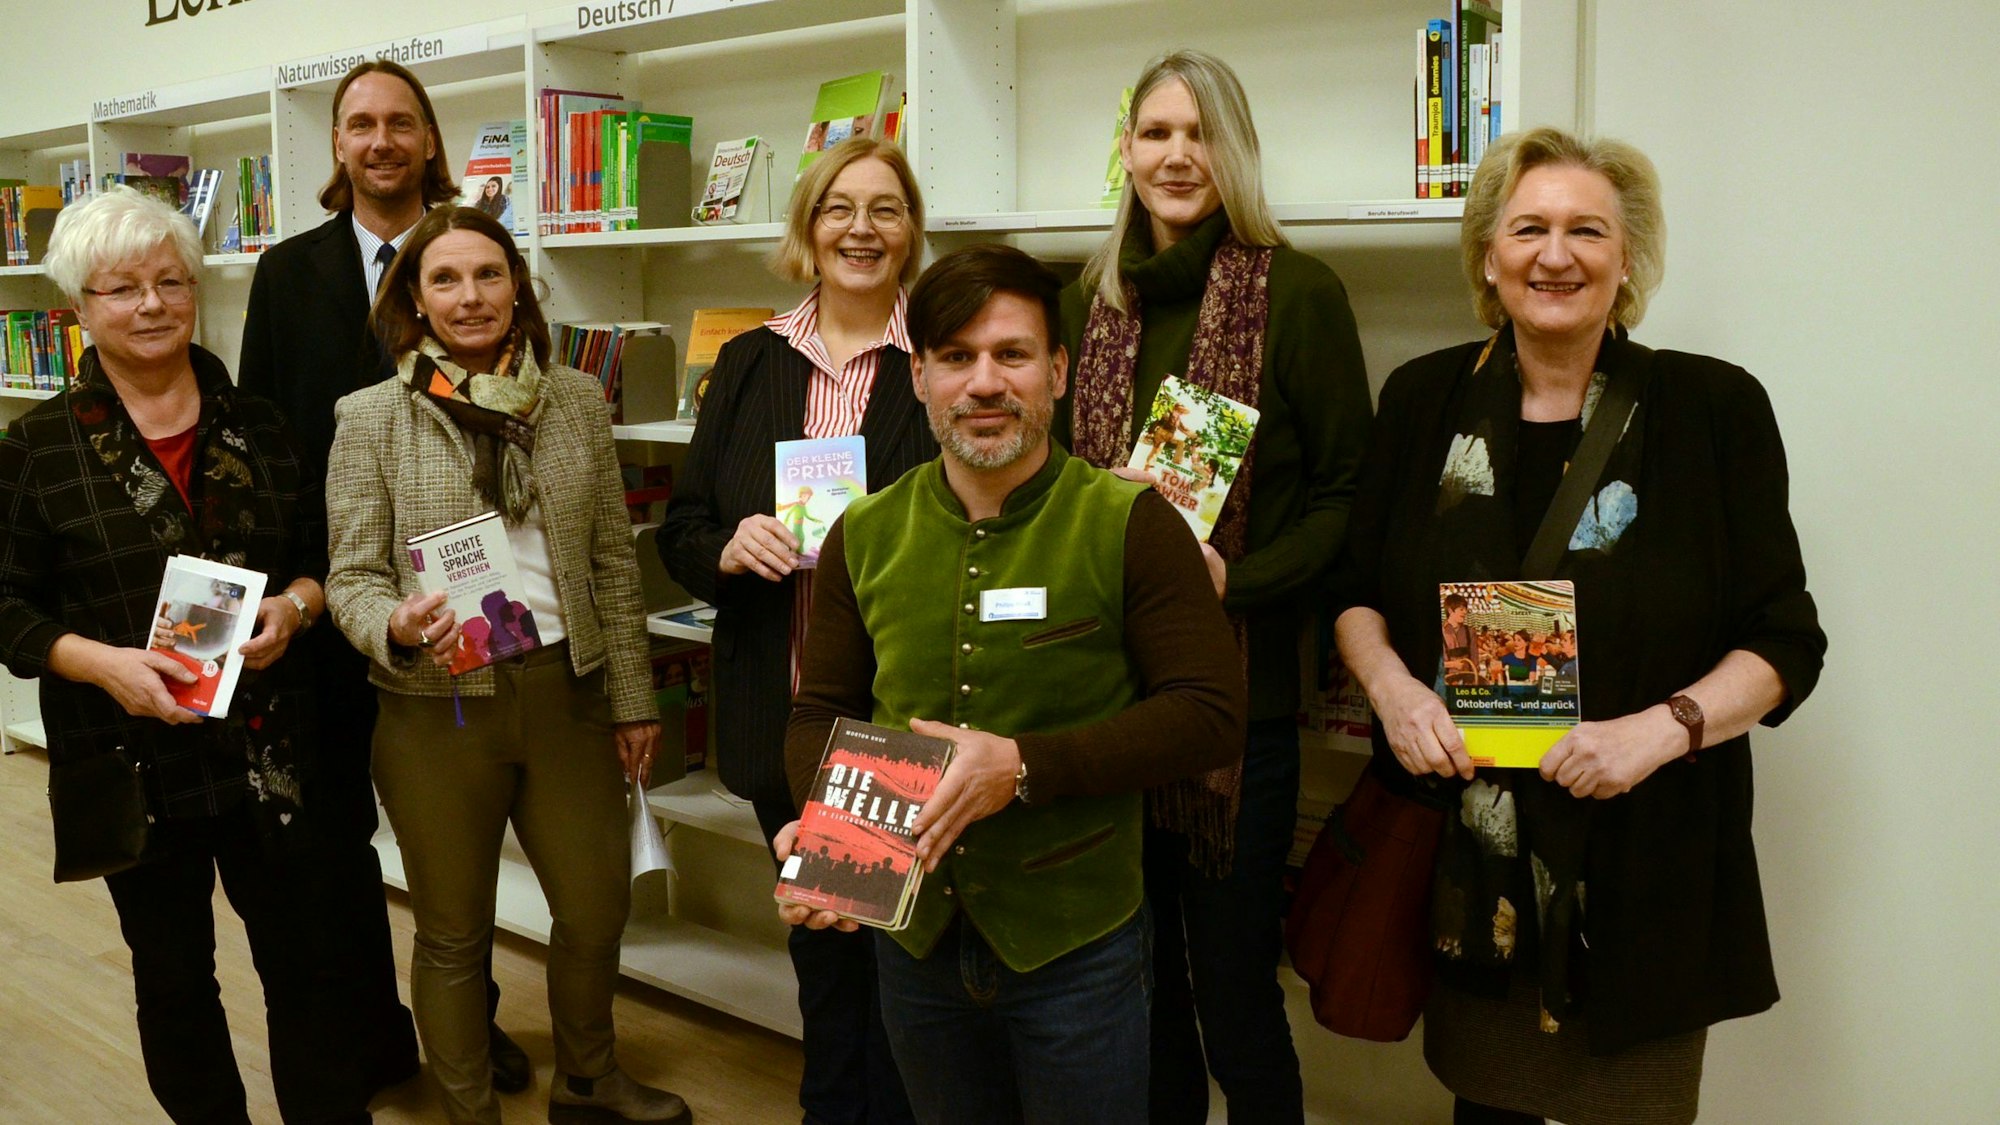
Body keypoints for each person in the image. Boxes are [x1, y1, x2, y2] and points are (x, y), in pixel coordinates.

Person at [1329, 126, 1827, 1125]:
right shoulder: (1422, 399)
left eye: (1585, 230)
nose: (1554, 254)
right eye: (1528, 228)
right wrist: (1389, 694)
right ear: (1486, 253)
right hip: (1469, 855)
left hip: (1646, 860)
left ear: (1627, 258)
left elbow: (1783, 640)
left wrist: (1662, 730)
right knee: (1486, 1106)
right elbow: (1354, 595)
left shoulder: (1712, 408)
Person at [776, 244, 1247, 1125]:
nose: (983, 383)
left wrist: (1021, 767)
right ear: (917, 376)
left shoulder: (1133, 523)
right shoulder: (863, 533)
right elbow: (821, 711)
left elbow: (1210, 716)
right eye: (955, 357)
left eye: (1012, 354)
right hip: (913, 943)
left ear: (1058, 371)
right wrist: (820, 821)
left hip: (1078, 950)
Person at [1055, 48, 1372, 1124]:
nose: (1176, 155)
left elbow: (1343, 495)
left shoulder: (1301, 294)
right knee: (1134, 986)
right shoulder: (1080, 304)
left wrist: (1231, 577)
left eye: (1200, 134)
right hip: (1103, 695)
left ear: (1232, 151)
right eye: (1154, 133)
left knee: (1233, 992)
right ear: (1126, 152)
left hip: (1242, 703)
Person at [0, 186, 361, 1123]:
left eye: (171, 281)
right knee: (174, 982)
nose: (152, 304)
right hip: (127, 758)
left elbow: (324, 559)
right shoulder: (35, 449)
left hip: (271, 750)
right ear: (79, 306)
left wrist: (297, 605)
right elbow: (5, 603)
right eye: (122, 288)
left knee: (310, 971)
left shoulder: (267, 426)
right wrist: (97, 661)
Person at [323, 206, 688, 1125]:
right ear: (413, 298)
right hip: (436, 707)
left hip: (570, 688)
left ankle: (590, 1080)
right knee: (453, 931)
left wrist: (635, 696)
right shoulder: (372, 417)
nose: (470, 295)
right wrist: (397, 623)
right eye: (444, 279)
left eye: (488, 274)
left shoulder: (571, 402)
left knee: (597, 906)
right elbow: (350, 576)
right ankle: (466, 1104)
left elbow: (612, 557)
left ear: (517, 285)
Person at [237, 59, 530, 1097]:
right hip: (326, 603)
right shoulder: (287, 271)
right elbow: (265, 440)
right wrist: (291, 589)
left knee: (458, 839)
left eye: (400, 122)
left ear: (429, 139)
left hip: (462, 599)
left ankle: (470, 1030)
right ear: (336, 145)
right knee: (333, 840)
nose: (381, 140)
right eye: (360, 124)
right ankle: (373, 1034)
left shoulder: (474, 255)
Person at [657, 135, 934, 1125]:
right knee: (823, 958)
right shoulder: (746, 361)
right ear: (806, 230)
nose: (860, 229)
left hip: (896, 719)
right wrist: (729, 547)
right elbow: (681, 528)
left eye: (885, 209)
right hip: (782, 714)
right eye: (838, 208)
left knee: (901, 967)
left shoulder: (938, 354)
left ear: (909, 233)